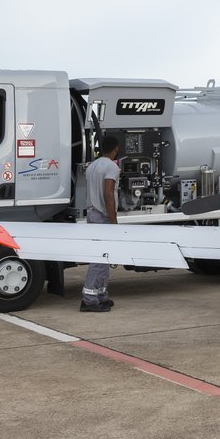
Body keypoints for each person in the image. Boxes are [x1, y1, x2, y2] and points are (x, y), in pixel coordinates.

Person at [81, 134, 120, 313]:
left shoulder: (92, 166)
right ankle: (89, 300)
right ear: (115, 149)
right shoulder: (112, 166)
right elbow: (108, 193)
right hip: (103, 217)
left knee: (104, 258)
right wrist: (113, 221)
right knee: (99, 259)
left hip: (92, 213)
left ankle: (101, 296)